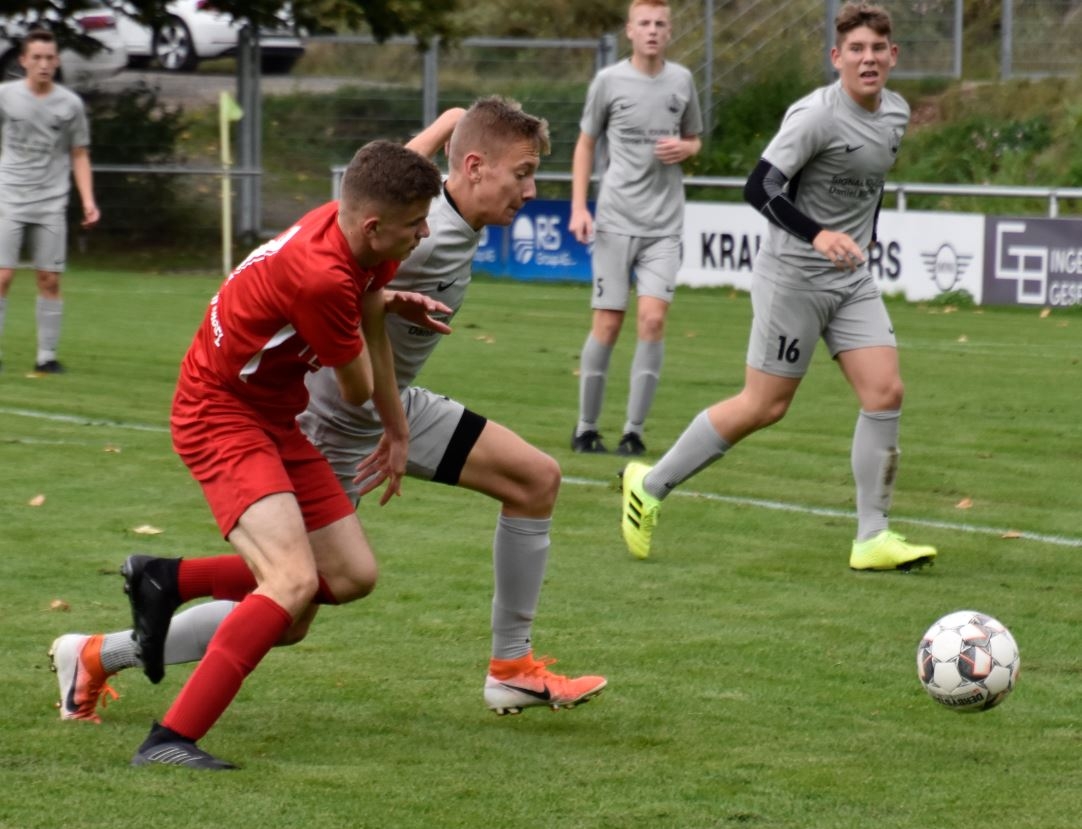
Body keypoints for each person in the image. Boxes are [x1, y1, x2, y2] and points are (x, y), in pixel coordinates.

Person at [49, 97, 606, 731]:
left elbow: (398, 168)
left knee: (534, 479)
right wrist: (387, 360)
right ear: (474, 168)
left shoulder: (418, 205)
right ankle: (99, 653)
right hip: (338, 421)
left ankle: (511, 668)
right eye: (523, 173)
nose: (531, 190)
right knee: (293, 606)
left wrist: (456, 117)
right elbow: (349, 278)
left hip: (393, 403)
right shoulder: (418, 235)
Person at [106, 140, 445, 769]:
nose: (424, 233)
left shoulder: (359, 232)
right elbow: (355, 388)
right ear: (373, 226)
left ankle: (167, 579)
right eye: (416, 223)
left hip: (269, 415)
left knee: (351, 575)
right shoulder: (323, 278)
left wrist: (397, 428)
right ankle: (170, 740)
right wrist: (367, 313)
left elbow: (372, 310)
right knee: (291, 582)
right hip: (218, 413)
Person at [618, 2, 937, 572]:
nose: (868, 59)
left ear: (893, 55)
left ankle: (872, 537)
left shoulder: (896, 113)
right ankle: (650, 484)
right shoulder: (815, 116)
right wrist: (819, 235)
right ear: (837, 57)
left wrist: (862, 238)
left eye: (877, 49)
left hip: (850, 281)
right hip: (792, 278)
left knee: (886, 393)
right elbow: (760, 186)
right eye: (856, 49)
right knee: (765, 406)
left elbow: (871, 186)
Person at [568, 0, 703, 457]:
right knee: (608, 324)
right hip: (615, 220)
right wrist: (579, 207)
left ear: (670, 31)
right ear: (630, 30)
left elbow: (695, 138)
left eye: (660, 23)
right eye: (644, 23)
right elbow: (586, 143)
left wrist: (686, 148)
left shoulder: (682, 80)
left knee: (653, 319)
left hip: (664, 224)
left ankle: (633, 432)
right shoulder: (608, 81)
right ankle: (586, 428)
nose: (652, 30)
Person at [0, 29, 100, 374]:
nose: (43, 64)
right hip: (9, 197)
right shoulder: (5, 96)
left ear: (57, 61)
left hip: (51, 202)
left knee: (50, 279)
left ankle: (47, 357)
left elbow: (79, 153)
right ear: (23, 61)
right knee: (2, 276)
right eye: (37, 58)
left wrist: (88, 201)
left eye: (49, 58)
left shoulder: (70, 104)